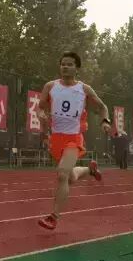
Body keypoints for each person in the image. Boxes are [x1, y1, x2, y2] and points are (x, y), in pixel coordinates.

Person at [36, 51, 112, 230]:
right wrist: (41, 115)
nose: (65, 67)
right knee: (70, 177)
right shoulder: (50, 86)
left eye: (69, 64)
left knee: (62, 174)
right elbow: (40, 107)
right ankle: (89, 170)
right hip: (56, 139)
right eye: (63, 64)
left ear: (76, 68)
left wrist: (105, 121)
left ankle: (53, 217)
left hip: (74, 139)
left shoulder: (84, 89)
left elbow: (103, 107)